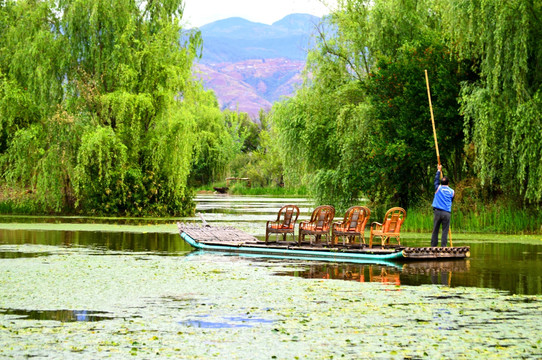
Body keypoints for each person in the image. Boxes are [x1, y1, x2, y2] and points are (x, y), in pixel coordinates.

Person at [431, 164, 454, 247]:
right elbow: (451, 200)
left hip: (437, 212)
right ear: (448, 183)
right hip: (447, 213)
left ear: (441, 182)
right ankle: (443, 246)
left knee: (435, 230)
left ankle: (433, 246)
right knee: (445, 230)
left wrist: (438, 170)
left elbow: (435, 180)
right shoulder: (452, 191)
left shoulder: (438, 188)